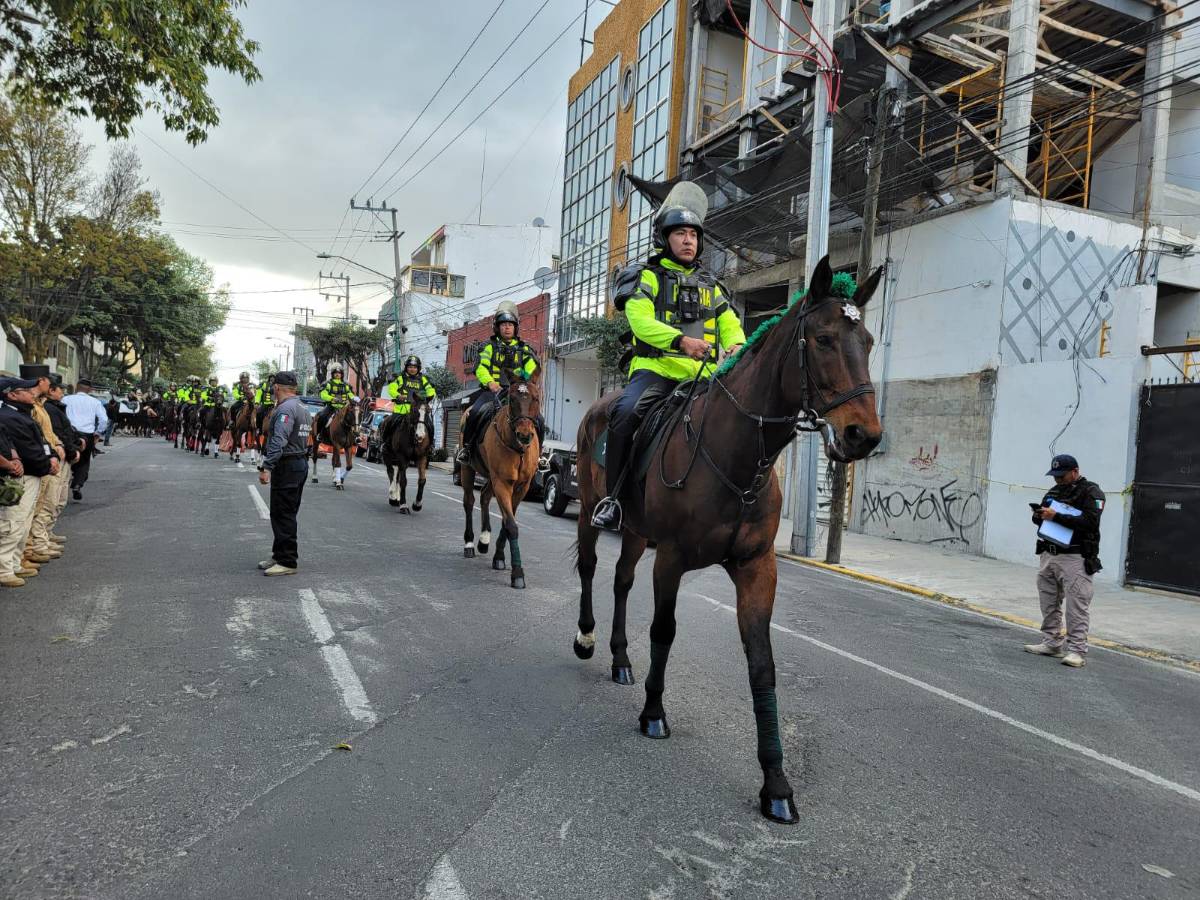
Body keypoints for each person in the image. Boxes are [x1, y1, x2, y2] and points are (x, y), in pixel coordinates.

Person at [590, 181, 746, 529]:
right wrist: (681, 343)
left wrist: (736, 345)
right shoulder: (647, 276)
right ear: (664, 238)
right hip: (655, 371)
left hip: (704, 379)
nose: (688, 240)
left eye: (693, 234)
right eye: (680, 233)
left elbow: (730, 323)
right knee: (626, 413)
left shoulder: (711, 285)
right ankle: (613, 499)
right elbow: (640, 322)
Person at [1023, 454, 1106, 668]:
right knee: (1048, 600)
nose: (1058, 480)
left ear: (1075, 472)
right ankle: (1051, 642)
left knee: (1077, 604)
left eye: (1062, 476)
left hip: (1075, 556)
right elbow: (1040, 518)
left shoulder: (1091, 492)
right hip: (1049, 553)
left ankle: (1077, 650)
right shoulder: (1055, 491)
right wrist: (1039, 515)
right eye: (1055, 476)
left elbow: (1090, 521)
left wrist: (1056, 516)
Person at [455, 301, 540, 464]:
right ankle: (466, 449)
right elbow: (480, 367)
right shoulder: (488, 347)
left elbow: (532, 366)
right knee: (474, 414)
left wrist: (522, 377)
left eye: (510, 324)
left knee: (539, 420)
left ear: (515, 328)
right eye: (503, 325)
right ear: (497, 328)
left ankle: (539, 456)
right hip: (491, 392)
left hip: (517, 393)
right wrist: (490, 383)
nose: (507, 328)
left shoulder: (525, 350)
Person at [0, 377, 57, 587]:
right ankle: (4, 568)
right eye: (26, 389)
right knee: (11, 522)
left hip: (31, 471)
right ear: (12, 394)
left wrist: (51, 456)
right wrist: (45, 463)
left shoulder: (22, 414)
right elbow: (26, 447)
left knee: (23, 521)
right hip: (18, 475)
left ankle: (14, 563)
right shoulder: (9, 416)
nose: (32, 392)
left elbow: (41, 441)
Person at [257, 371, 312, 577]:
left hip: (288, 466)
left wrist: (267, 467)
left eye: (273, 387)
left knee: (283, 514)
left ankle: (288, 561)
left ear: (277, 387)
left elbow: (278, 440)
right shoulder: (302, 407)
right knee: (284, 512)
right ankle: (279, 554)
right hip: (299, 463)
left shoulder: (285, 409)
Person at [27, 373, 79, 561]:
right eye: (59, 389)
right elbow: (41, 436)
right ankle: (37, 545)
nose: (62, 393)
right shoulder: (36, 408)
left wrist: (61, 446)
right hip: (45, 460)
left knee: (56, 499)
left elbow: (52, 434)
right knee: (45, 502)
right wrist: (56, 450)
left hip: (55, 456)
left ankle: (43, 537)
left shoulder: (43, 408)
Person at [61, 377, 108, 501]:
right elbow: (103, 420)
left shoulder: (65, 399)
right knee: (84, 461)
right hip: (87, 435)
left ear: (76, 387)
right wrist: (97, 433)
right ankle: (77, 484)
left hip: (68, 433)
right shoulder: (95, 402)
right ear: (90, 390)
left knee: (66, 457)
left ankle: (62, 484)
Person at [386, 355, 436, 437]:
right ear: (406, 367)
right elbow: (391, 389)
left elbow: (430, 390)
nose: (412, 369)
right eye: (410, 367)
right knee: (389, 423)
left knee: (430, 426)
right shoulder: (400, 377)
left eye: (415, 367)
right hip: (401, 411)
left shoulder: (423, 379)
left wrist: (427, 398)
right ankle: (385, 444)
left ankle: (431, 446)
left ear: (418, 368)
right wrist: (398, 396)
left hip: (418, 411)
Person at [315, 365, 353, 436]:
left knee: (354, 418)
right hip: (331, 407)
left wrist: (357, 400)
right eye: (335, 373)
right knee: (322, 416)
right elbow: (322, 394)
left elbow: (351, 395)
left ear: (342, 374)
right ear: (332, 374)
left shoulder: (346, 385)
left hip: (344, 408)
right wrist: (332, 398)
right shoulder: (328, 384)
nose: (337, 374)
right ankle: (319, 434)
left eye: (339, 373)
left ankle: (356, 437)